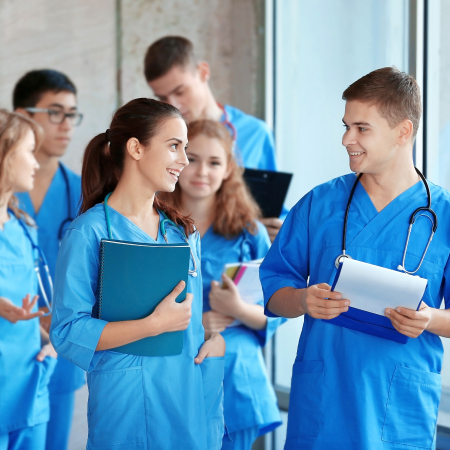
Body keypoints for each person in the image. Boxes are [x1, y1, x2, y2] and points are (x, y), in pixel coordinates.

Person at [260, 67, 450, 449]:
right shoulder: (320, 203)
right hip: (325, 399)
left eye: (362, 128)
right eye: (346, 126)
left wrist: (428, 319)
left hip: (399, 405)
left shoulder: (442, 215)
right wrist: (301, 299)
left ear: (403, 131)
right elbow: (273, 288)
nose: (347, 139)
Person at [50, 98, 226, 450]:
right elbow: (67, 332)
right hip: (126, 404)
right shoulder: (87, 232)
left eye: (185, 148)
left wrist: (213, 339)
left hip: (188, 395)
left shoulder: (183, 232)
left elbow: (189, 318)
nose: (184, 160)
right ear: (136, 148)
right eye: (174, 146)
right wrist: (152, 325)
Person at [163, 119, 285, 449]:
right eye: (193, 157)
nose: (202, 171)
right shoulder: (154, 225)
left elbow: (277, 310)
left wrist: (237, 309)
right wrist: (196, 323)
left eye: (215, 162)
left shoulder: (250, 233)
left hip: (236, 378)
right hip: (175, 369)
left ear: (229, 168)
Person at [144, 36, 283, 241]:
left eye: (180, 91)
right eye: (162, 98)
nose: (174, 104)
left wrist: (263, 229)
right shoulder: (158, 139)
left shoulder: (255, 134)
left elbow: (275, 211)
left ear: (203, 72)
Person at [13, 69, 85, 450]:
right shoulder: (4, 195)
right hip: (9, 341)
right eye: (55, 112)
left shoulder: (83, 193)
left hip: (59, 345)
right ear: (23, 116)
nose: (66, 125)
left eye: (72, 114)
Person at [0, 109, 57, 450]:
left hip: (29, 383)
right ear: (4, 151)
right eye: (29, 151)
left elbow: (28, 309)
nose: (36, 163)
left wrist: (48, 340)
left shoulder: (23, 226)